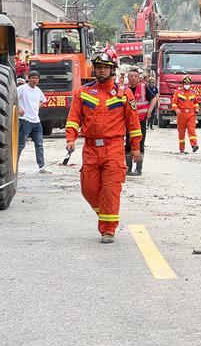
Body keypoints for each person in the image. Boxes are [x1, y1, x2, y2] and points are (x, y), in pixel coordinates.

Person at [65, 49, 142, 243]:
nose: (101, 71)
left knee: (110, 189)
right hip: (90, 148)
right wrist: (70, 138)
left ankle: (108, 229)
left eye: (105, 68)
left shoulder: (124, 94)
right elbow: (74, 118)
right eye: (98, 67)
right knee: (88, 188)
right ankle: (106, 214)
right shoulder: (82, 93)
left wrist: (135, 148)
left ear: (112, 70)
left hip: (114, 147)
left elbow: (133, 124)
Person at [125, 68, 157, 175]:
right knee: (127, 143)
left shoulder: (144, 87)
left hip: (141, 120)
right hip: (127, 122)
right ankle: (128, 167)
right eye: (131, 76)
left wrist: (150, 111)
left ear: (139, 78)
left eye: (135, 76)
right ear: (128, 77)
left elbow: (154, 99)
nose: (133, 78)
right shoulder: (124, 89)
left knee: (140, 143)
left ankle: (139, 168)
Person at [17, 71, 49, 173]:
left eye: (36, 78)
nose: (34, 80)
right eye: (33, 78)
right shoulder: (22, 89)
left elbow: (44, 101)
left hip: (36, 122)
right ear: (28, 78)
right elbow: (13, 98)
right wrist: (18, 109)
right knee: (20, 145)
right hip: (25, 120)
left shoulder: (38, 90)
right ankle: (13, 167)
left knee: (39, 144)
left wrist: (35, 108)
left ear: (38, 80)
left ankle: (41, 167)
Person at [171, 75, 199, 153]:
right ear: (183, 83)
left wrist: (196, 108)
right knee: (181, 132)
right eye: (185, 83)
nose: (187, 84)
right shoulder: (178, 92)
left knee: (191, 130)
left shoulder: (193, 93)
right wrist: (176, 109)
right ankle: (182, 149)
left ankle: (194, 145)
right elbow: (174, 103)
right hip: (181, 114)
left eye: (188, 83)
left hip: (191, 114)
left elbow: (196, 102)